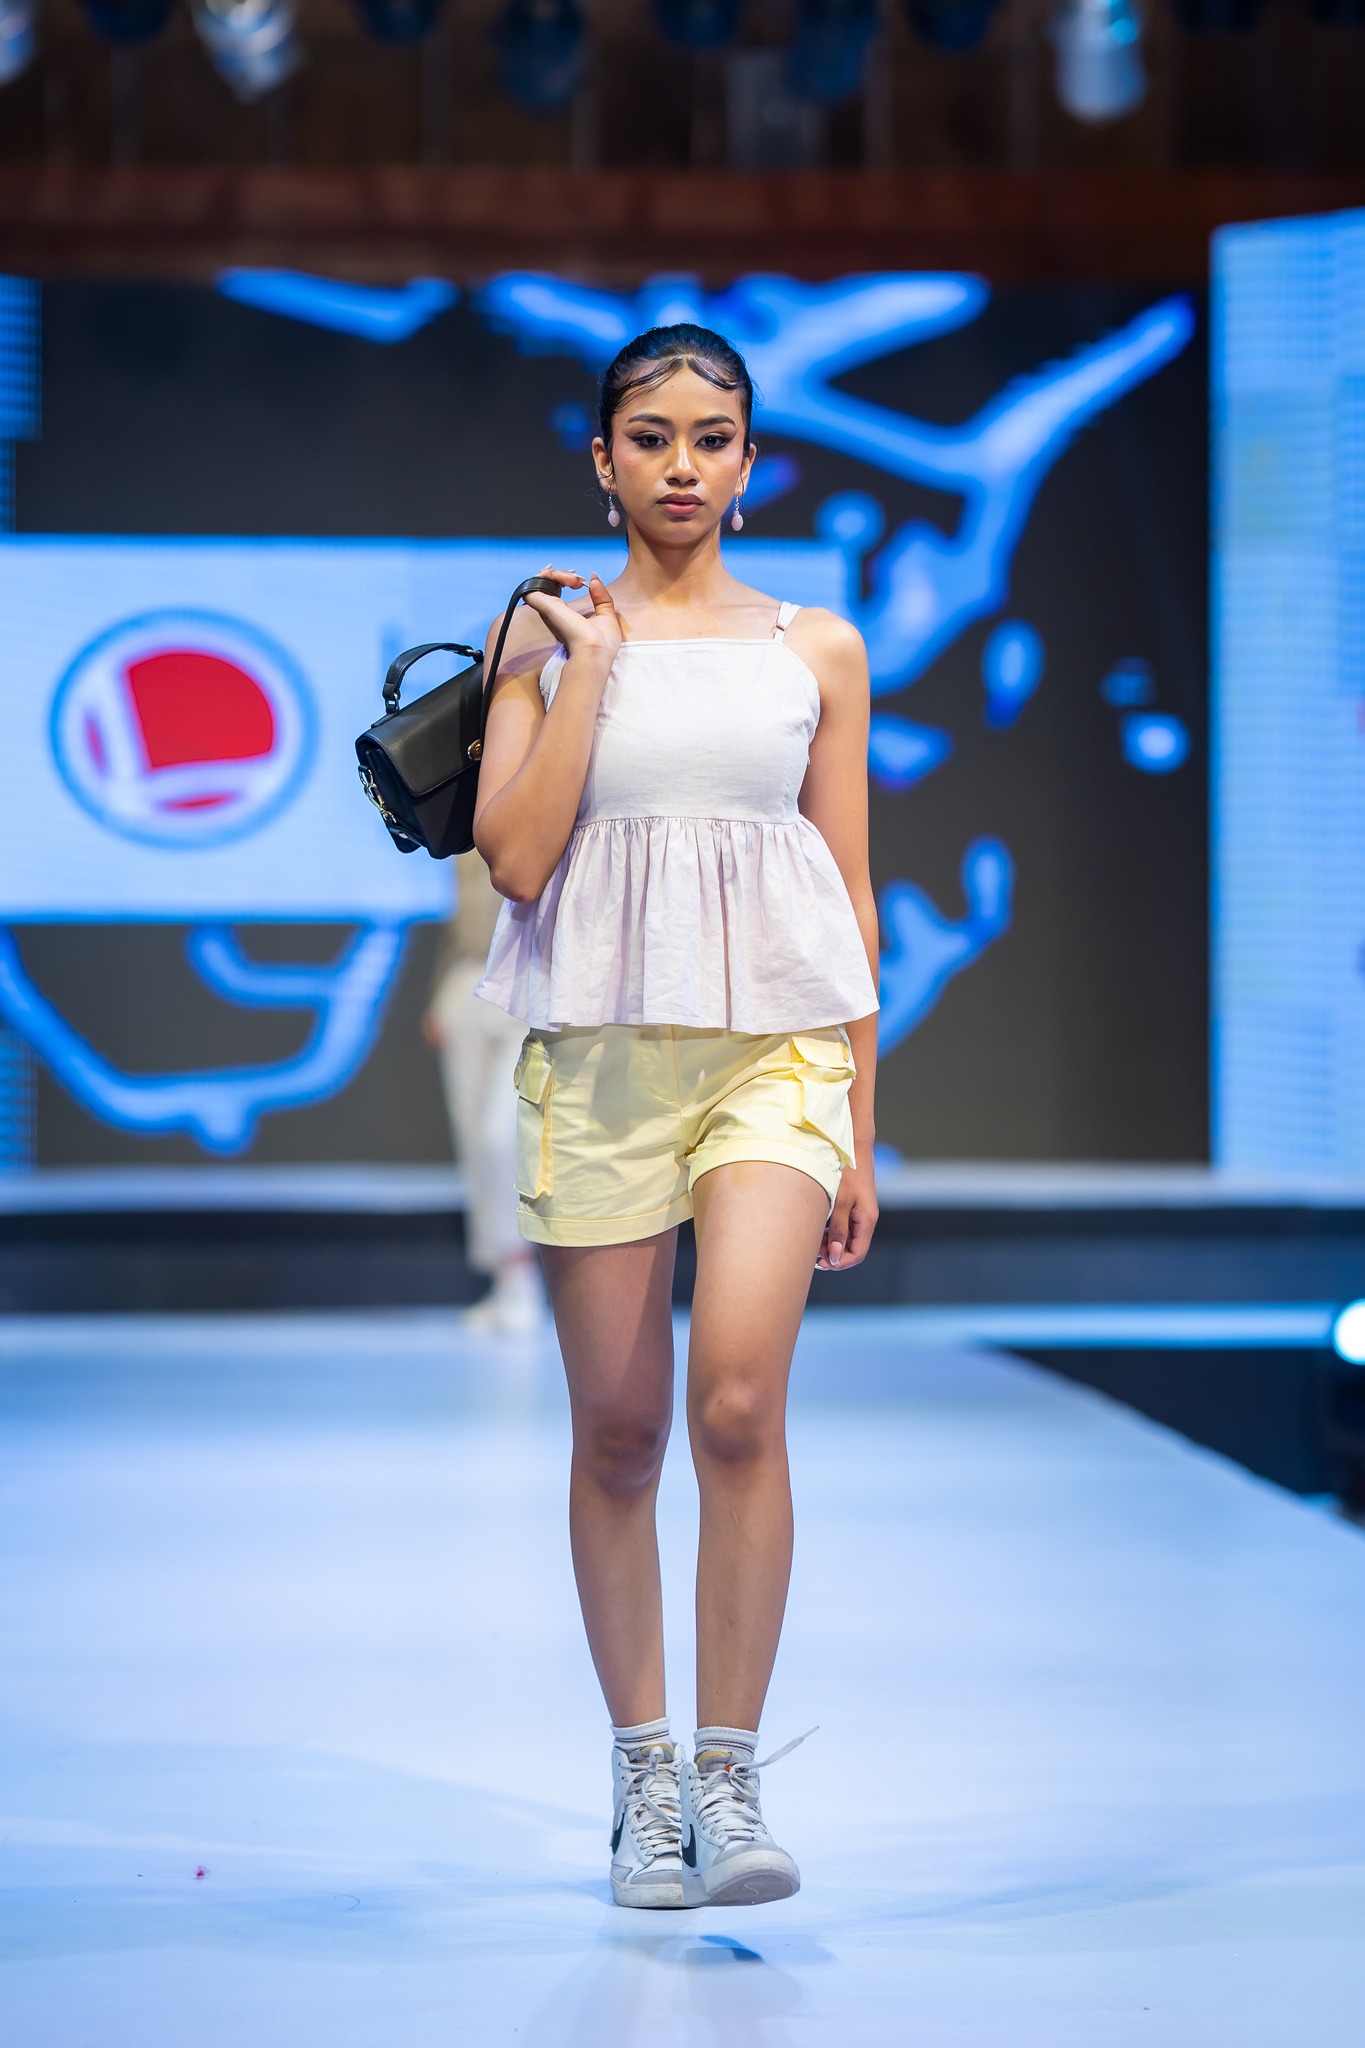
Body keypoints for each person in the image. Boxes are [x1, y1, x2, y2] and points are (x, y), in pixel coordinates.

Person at [472, 323, 880, 1909]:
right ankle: (642, 1776)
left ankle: (731, 1778)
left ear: (750, 462)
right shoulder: (543, 634)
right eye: (651, 437)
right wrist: (582, 666)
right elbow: (516, 858)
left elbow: (847, 893)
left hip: (776, 1054)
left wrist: (857, 1121)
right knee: (624, 1431)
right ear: (602, 460)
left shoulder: (815, 648)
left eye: (713, 437)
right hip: (600, 1059)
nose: (683, 465)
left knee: (736, 1406)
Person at [424, 850, 549, 1336]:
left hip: (531, 976)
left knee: (502, 1135)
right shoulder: (461, 819)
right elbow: (461, 914)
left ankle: (523, 1273)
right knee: (475, 1138)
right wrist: (442, 990)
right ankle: (506, 1278)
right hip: (466, 980)